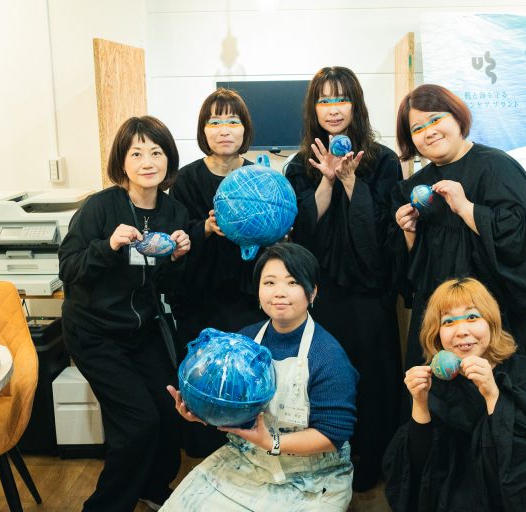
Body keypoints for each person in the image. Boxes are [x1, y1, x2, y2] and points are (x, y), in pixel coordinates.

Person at [161, 242, 358, 511]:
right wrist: (203, 412)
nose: (279, 292)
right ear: (258, 291)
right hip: (248, 458)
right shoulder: (245, 339)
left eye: (292, 282)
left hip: (314, 475)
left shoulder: (328, 356)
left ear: (312, 292)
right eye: (269, 282)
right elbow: (233, 407)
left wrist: (271, 442)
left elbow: (333, 434)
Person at [383, 277, 526, 512]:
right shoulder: (436, 386)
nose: (461, 331)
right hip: (465, 490)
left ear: (491, 323)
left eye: (472, 317)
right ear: (437, 334)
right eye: (448, 321)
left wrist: (493, 396)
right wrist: (420, 403)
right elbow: (421, 470)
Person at [58, 115, 191, 511]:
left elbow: (167, 287)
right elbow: (69, 269)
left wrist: (179, 258)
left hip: (142, 330)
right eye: (136, 153)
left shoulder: (174, 212)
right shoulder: (100, 208)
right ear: (122, 161)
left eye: (156, 152)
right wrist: (109, 246)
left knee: (170, 410)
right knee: (137, 423)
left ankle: (153, 486)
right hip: (94, 333)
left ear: (169, 159)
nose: (147, 162)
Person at [392, 84, 526, 367]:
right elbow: (415, 269)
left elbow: (521, 240)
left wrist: (467, 208)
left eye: (435, 119)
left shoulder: (498, 167)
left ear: (457, 117)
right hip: (440, 312)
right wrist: (410, 233)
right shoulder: (417, 186)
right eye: (417, 128)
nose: (429, 131)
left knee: (494, 381)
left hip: (492, 306)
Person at [284, 65, 402, 492]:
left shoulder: (383, 160)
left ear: (356, 105)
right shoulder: (300, 164)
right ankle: (328, 457)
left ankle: (373, 461)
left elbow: (383, 233)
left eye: (341, 98)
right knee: (325, 378)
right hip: (322, 293)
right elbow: (302, 232)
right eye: (324, 100)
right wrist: (327, 180)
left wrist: (351, 181)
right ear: (313, 108)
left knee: (372, 377)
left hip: (369, 291)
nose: (333, 109)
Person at [170, 88, 267, 457]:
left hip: (248, 300)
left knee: (245, 380)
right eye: (214, 122)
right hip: (200, 300)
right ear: (203, 131)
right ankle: (204, 456)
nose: (224, 129)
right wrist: (206, 229)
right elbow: (176, 240)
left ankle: (248, 452)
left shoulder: (259, 177)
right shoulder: (185, 180)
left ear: (245, 129)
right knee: (203, 377)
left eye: (232, 121)